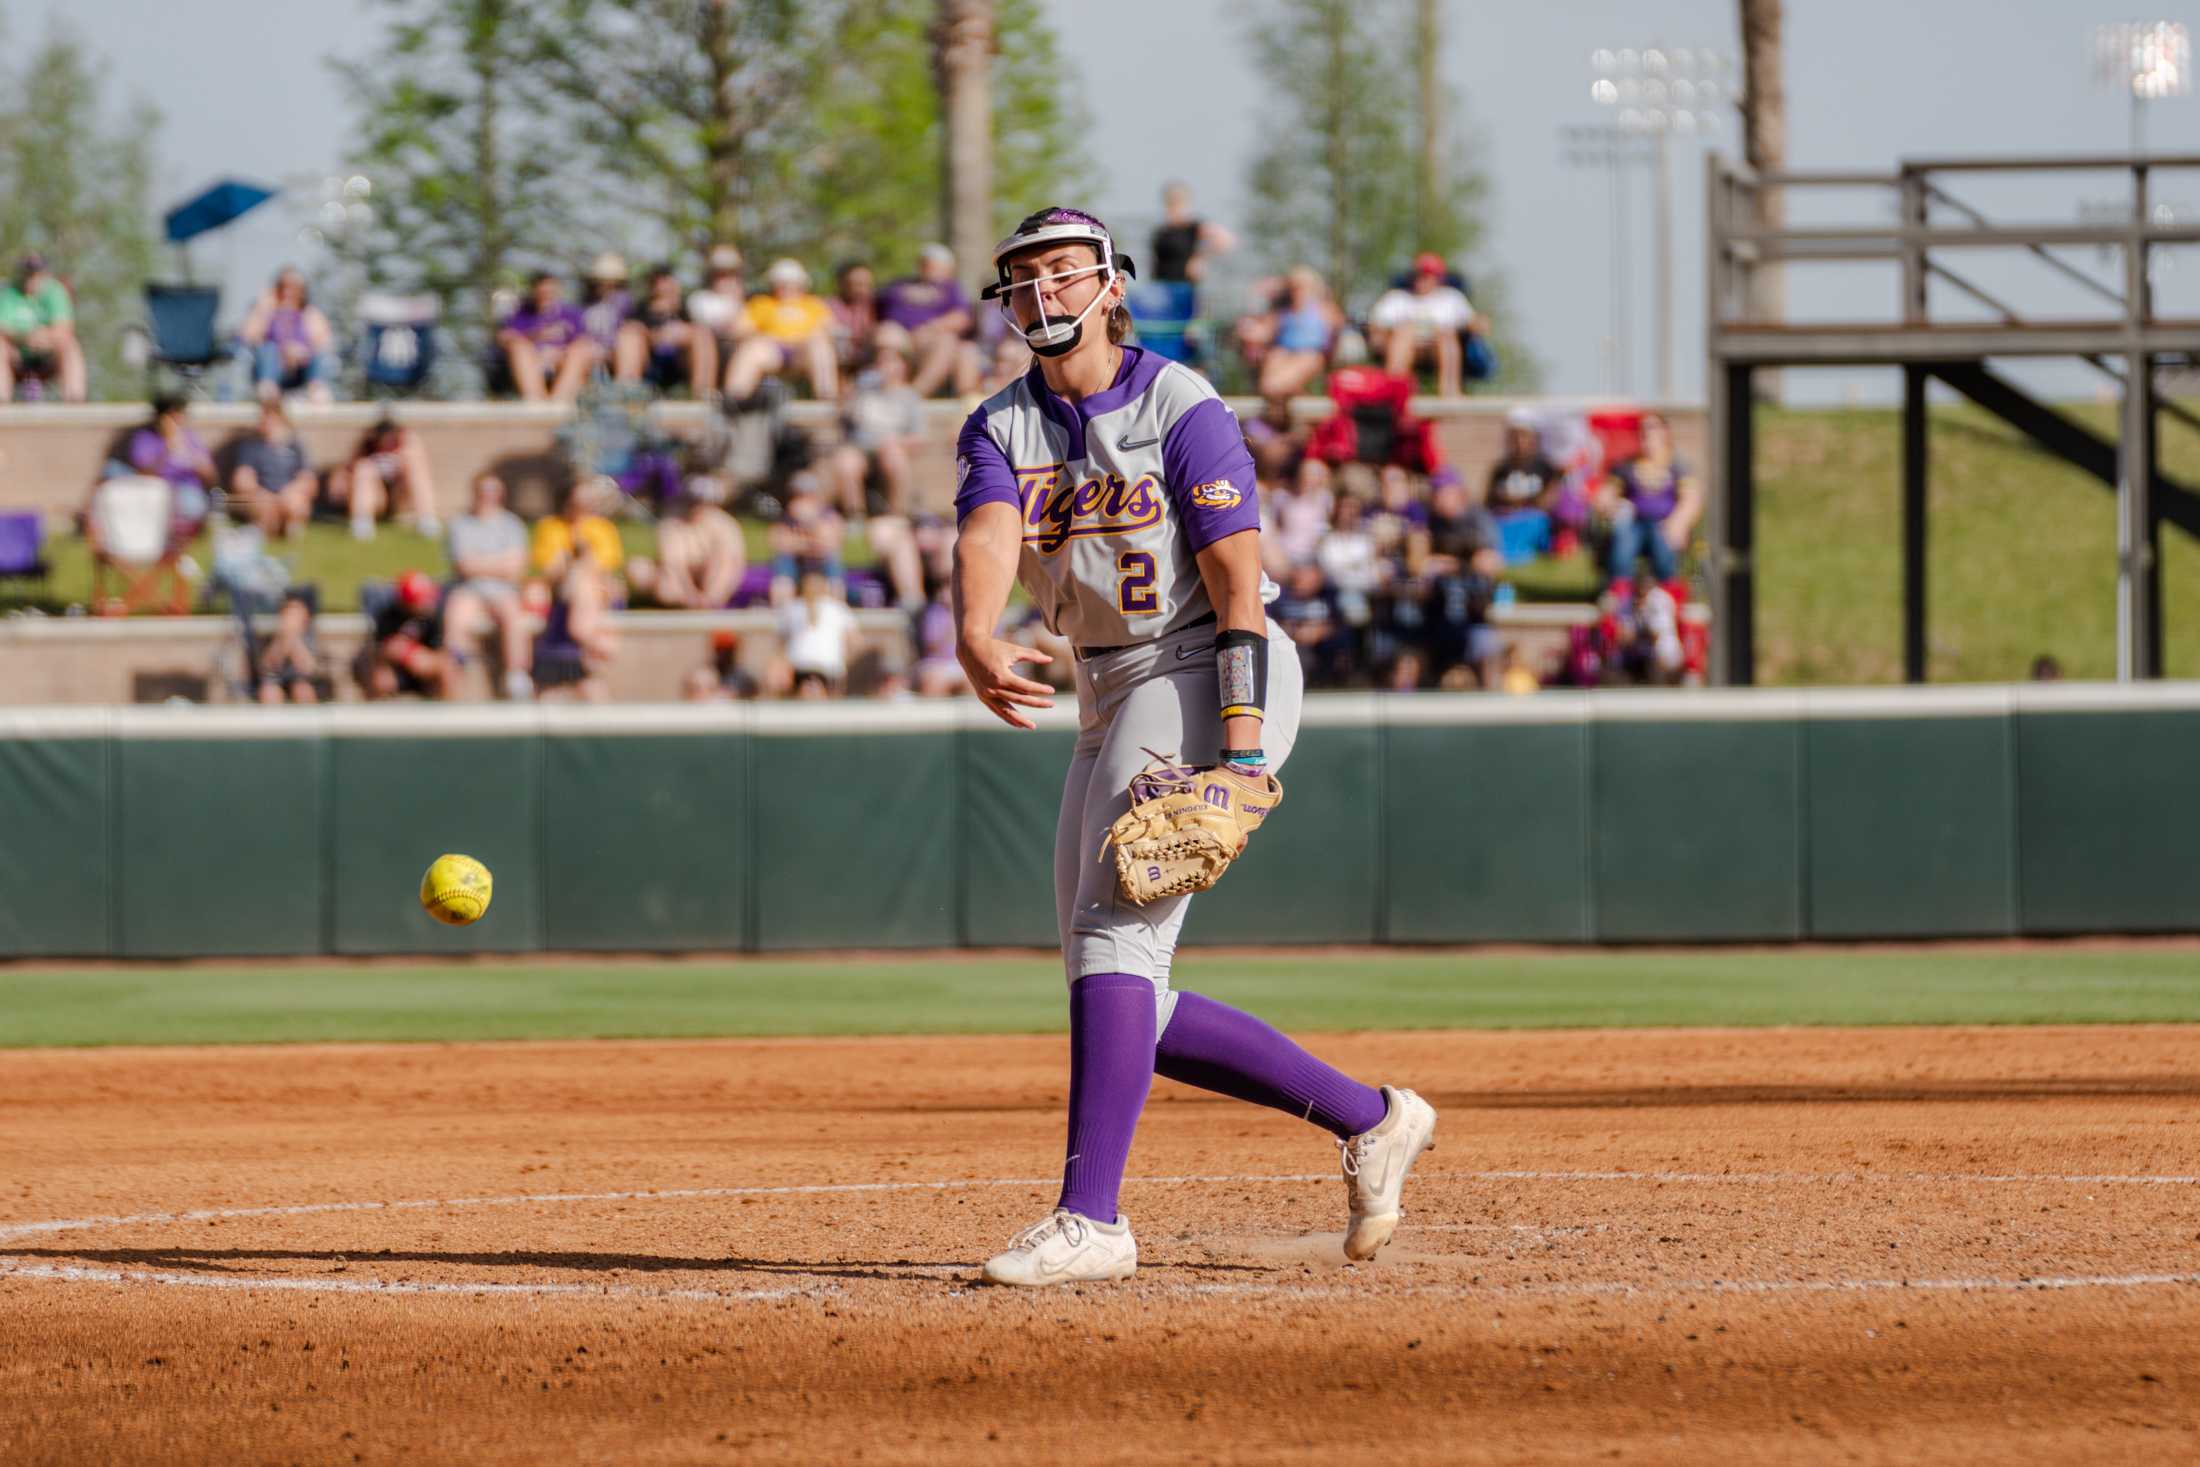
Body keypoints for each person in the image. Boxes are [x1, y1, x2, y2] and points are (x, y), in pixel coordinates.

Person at [951, 205, 1436, 1288]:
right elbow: (986, 533)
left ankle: (1092, 1220)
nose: (1045, 295)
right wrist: (974, 631)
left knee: (1114, 937)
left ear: (1113, 287)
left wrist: (1244, 750)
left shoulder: (1181, 401)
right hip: (1106, 687)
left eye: (1066, 275)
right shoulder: (998, 425)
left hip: (1206, 663)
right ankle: (1372, 1119)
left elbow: (1234, 585)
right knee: (1115, 977)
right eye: (1025, 279)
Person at [442, 472, 535, 700]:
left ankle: (517, 676)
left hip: (503, 590)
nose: (488, 496)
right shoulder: (459, 524)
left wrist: (480, 563)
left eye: (493, 490)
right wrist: (500, 563)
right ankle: (453, 675)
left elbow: (517, 568)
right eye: (483, 490)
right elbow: (463, 565)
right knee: (456, 618)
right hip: (469, 589)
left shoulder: (512, 524)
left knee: (512, 614)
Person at [1598, 410, 1702, 583]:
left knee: (1663, 547)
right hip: (1633, 523)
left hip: (1665, 523)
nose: (1646, 433)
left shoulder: (1677, 465)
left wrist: (1679, 522)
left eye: (1652, 427)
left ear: (1664, 432)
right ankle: (1620, 593)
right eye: (1642, 429)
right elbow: (1606, 494)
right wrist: (1609, 506)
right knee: (1623, 544)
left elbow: (1691, 499)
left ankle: (1667, 594)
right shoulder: (1626, 465)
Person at [1367, 253, 1480, 397]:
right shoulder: (1397, 298)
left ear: (1438, 279)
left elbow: (1473, 323)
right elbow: (1376, 325)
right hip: (1405, 345)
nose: (1420, 280)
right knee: (1404, 333)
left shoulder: (1452, 298)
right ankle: (1394, 392)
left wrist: (1473, 326)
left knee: (1446, 335)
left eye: (1427, 276)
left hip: (1438, 346)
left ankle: (1450, 392)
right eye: (1418, 275)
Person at [875, 244, 979, 398]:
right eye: (926, 264)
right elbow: (875, 310)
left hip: (931, 338)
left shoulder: (951, 289)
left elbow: (961, 318)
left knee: (948, 342)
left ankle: (914, 394)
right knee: (887, 335)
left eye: (936, 266)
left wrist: (931, 327)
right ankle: (886, 392)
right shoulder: (899, 285)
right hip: (899, 336)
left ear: (948, 269)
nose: (929, 269)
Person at [627, 474, 744, 610]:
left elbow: (731, 562)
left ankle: (711, 601)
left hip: (711, 577)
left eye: (702, 501)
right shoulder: (672, 522)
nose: (697, 506)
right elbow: (673, 565)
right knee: (641, 571)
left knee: (723, 563)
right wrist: (690, 594)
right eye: (693, 501)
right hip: (682, 579)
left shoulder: (724, 524)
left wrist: (712, 593)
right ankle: (689, 603)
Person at [729, 258, 836, 400]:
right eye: (782, 283)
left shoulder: (814, 305)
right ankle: (735, 398)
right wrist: (760, 336)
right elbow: (738, 330)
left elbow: (833, 329)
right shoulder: (761, 303)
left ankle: (827, 398)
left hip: (804, 351)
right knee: (752, 349)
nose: (786, 288)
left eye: (791, 283)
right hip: (773, 351)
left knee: (820, 346)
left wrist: (817, 335)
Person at [237, 267, 337, 404]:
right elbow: (247, 336)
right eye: (283, 287)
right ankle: (268, 391)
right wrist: (265, 308)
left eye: (294, 288)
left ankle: (317, 391)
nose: (288, 292)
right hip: (272, 368)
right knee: (269, 348)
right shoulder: (266, 310)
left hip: (301, 370)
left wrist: (302, 351)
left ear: (302, 291)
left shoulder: (310, 314)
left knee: (319, 354)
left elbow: (325, 342)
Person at [329, 416, 439, 539]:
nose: (387, 442)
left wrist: (404, 453)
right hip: (377, 499)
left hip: (401, 497)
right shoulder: (366, 449)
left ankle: (427, 521)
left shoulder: (407, 446)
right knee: (364, 468)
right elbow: (346, 471)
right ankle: (362, 524)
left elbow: (421, 471)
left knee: (413, 461)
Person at [617, 264, 717, 398]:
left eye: (666, 279)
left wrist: (680, 332)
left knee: (702, 334)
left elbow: (695, 331)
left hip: (679, 361)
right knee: (630, 335)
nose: (662, 285)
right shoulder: (640, 310)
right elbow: (632, 329)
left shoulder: (685, 310)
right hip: (649, 361)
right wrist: (655, 336)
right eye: (657, 281)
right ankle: (626, 392)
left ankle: (703, 394)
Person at [125, 394, 218, 539]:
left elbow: (210, 475)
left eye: (180, 415)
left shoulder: (190, 437)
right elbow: (142, 473)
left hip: (186, 489)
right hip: (156, 489)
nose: (178, 420)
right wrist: (166, 450)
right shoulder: (145, 438)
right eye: (173, 416)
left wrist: (197, 462)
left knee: (192, 506)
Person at [495, 271, 597, 401]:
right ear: (534, 290)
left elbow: (584, 340)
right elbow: (505, 337)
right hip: (532, 358)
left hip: (563, 359)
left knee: (580, 351)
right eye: (542, 290)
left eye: (550, 291)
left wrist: (557, 353)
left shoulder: (571, 313)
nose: (546, 294)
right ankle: (535, 399)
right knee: (519, 348)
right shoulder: (521, 314)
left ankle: (558, 399)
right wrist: (534, 337)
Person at [0, 254, 87, 402]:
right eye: (28, 273)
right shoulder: (8, 293)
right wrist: (25, 337)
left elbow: (64, 328)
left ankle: (75, 400)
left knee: (70, 345)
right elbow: (3, 328)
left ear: (45, 274)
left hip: (48, 355)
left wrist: (43, 338)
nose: (31, 278)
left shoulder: (55, 292)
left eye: (36, 273)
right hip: (16, 355)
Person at [228, 400, 319, 539]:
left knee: (295, 502)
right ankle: (269, 527)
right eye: (263, 418)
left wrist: (290, 491)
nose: (266, 422)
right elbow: (242, 478)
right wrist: (260, 492)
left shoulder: (295, 446)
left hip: (288, 495)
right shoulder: (251, 447)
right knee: (262, 505)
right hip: (262, 495)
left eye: (270, 418)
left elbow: (308, 479)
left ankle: (288, 526)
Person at [359, 569, 456, 699]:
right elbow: (381, 648)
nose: (426, 605)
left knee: (448, 669)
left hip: (430, 665)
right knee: (380, 677)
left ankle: (448, 714)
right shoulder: (388, 614)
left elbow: (448, 652)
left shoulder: (439, 613)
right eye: (420, 602)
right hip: (398, 668)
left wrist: (426, 659)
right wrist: (404, 653)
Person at [772, 567, 856, 697]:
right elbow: (780, 645)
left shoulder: (838, 609)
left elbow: (853, 642)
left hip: (830, 668)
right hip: (798, 667)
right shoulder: (792, 608)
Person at [1148, 181, 1235, 285]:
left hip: (1184, 286)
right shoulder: (1162, 231)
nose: (1173, 206)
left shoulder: (1193, 227)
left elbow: (1227, 240)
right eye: (1170, 201)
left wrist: (1201, 257)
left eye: (1177, 201)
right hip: (1160, 284)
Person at [255, 588, 323, 704]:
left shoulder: (309, 635)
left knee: (302, 689)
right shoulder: (275, 633)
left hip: (302, 680)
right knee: (269, 690)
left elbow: (308, 669)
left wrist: (293, 638)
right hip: (275, 680)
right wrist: (284, 637)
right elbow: (268, 666)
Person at [827, 260, 880, 368]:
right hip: (838, 359)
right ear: (842, 283)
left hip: (870, 359)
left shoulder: (877, 305)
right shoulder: (827, 306)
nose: (862, 290)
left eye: (867, 285)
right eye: (857, 284)